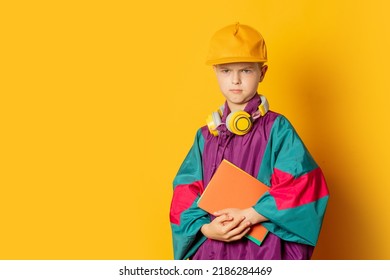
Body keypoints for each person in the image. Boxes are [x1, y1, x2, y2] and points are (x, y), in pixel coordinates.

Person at [169, 22, 329, 260]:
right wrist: (206, 229)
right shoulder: (205, 136)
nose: (235, 80)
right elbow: (184, 193)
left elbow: (303, 185)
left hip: (262, 253)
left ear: (262, 73)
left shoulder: (277, 129)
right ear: (215, 72)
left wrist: (251, 215)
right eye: (226, 71)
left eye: (245, 70)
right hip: (213, 251)